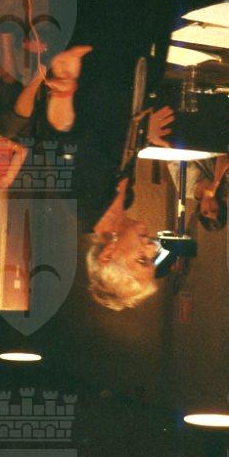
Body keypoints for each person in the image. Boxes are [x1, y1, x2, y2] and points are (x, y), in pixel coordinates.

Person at [0, 45, 92, 225]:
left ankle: (39, 74)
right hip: (11, 132)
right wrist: (9, 145)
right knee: (10, 93)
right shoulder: (3, 182)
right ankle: (11, 43)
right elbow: (22, 152)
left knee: (15, 112)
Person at [86, 106, 175, 311]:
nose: (154, 248)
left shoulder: (84, 204)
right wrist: (143, 136)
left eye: (142, 259)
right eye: (153, 258)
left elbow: (91, 121)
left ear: (107, 255)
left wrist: (141, 131)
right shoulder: (126, 201)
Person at [165, 154, 229, 231]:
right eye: (213, 209)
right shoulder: (226, 187)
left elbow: (171, 160)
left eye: (205, 211)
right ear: (221, 208)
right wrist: (216, 182)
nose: (208, 206)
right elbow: (225, 157)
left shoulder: (184, 190)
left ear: (200, 211)